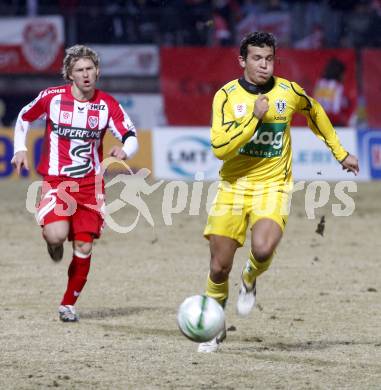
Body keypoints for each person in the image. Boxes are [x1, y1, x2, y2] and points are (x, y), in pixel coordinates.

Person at [198, 31, 359, 353]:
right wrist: (253, 121)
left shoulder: (288, 91)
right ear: (242, 61)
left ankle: (250, 276)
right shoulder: (226, 96)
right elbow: (219, 148)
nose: (264, 65)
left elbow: (314, 112)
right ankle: (215, 326)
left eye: (269, 59)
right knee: (218, 267)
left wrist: (339, 152)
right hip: (232, 188)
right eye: (257, 58)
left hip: (273, 186)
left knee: (262, 248)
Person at [11, 45, 138, 322]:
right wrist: (19, 148)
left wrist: (125, 150)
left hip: (91, 187)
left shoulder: (107, 105)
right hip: (58, 182)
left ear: (97, 71)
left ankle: (68, 304)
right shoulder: (52, 98)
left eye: (90, 69)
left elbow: (130, 133)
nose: (85, 74)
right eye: (79, 70)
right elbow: (24, 117)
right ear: (69, 73)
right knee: (56, 235)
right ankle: (53, 242)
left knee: (84, 247)